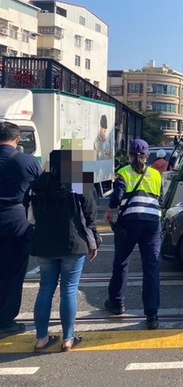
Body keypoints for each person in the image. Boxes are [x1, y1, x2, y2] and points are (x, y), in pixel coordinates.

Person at [29, 150, 100, 352]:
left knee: (45, 289)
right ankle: (68, 339)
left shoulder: (40, 181)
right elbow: (88, 215)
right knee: (69, 289)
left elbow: (31, 216)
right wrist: (93, 243)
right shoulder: (78, 181)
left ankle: (41, 339)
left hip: (44, 242)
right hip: (73, 242)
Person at [103, 139, 162, 330]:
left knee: (121, 262)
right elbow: (160, 196)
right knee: (151, 267)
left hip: (130, 222)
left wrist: (111, 211)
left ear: (129, 155)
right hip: (152, 223)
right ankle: (152, 315)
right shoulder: (155, 174)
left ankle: (117, 303)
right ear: (148, 155)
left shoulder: (123, 173)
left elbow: (116, 197)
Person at [0, 122, 41, 340]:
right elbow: (44, 188)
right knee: (14, 271)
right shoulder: (27, 161)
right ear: (17, 140)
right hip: (16, 221)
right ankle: (5, 321)